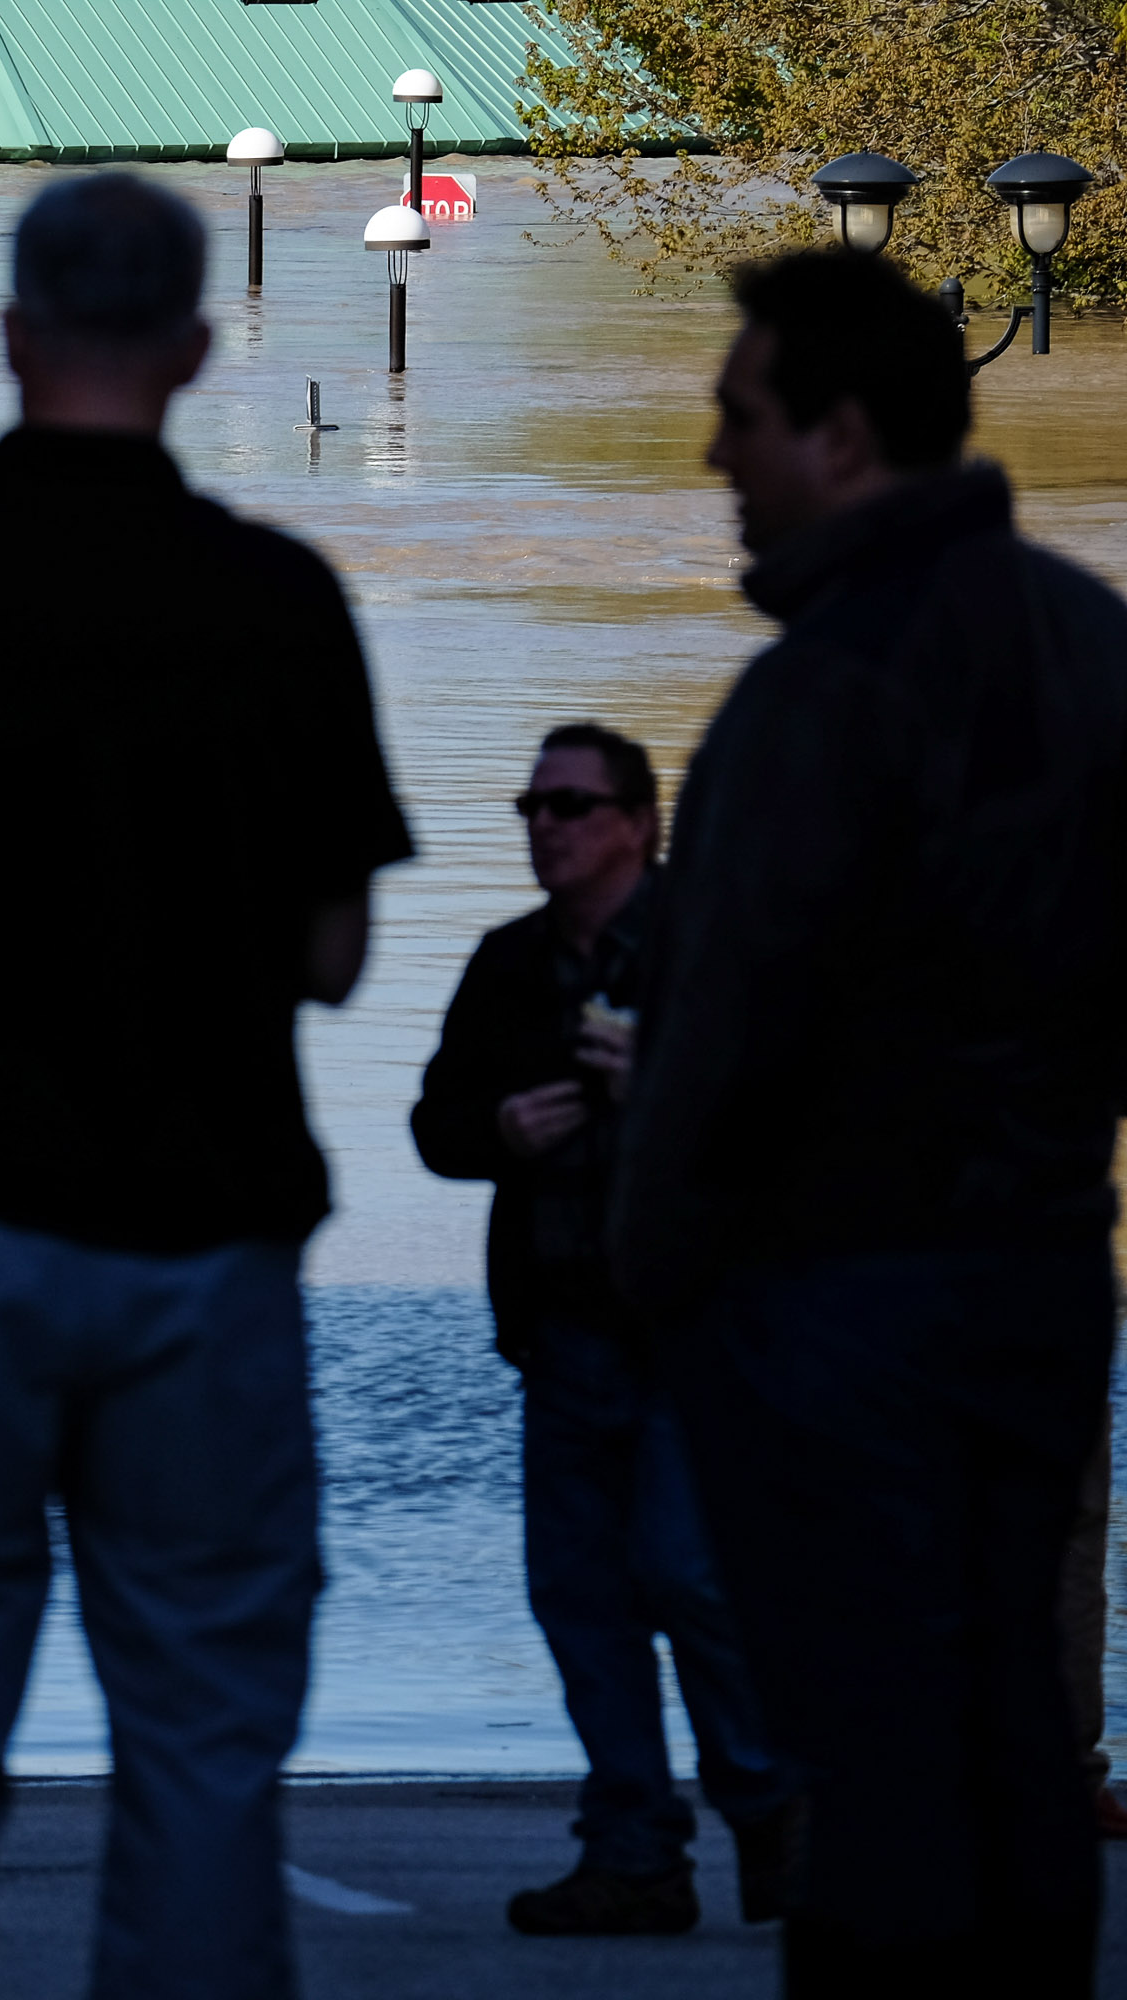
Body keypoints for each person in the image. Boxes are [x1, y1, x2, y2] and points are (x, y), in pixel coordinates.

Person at [0, 172, 412, 2000]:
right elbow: (339, 955)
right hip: (208, 1232)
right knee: (206, 1744)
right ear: (202, 348)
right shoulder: (282, 600)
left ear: (10, 333)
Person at [612, 249, 1127, 1994]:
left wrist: (655, 1271)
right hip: (1044, 1265)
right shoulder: (1085, 640)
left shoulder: (817, 696)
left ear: (838, 436)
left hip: (832, 1295)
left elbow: (724, 1028)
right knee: (1007, 1715)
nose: (712, 458)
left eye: (738, 417)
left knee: (866, 1744)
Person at [412, 724, 794, 1934]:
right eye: (533, 804)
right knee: (579, 1596)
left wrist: (663, 1083)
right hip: (564, 1331)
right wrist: (496, 1133)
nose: (546, 825)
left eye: (572, 805)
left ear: (638, 821)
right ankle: (635, 1853)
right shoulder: (509, 963)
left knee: (690, 1570)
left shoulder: (713, 946)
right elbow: (437, 1123)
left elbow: (799, 1120)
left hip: (696, 1326)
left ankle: (779, 1805)